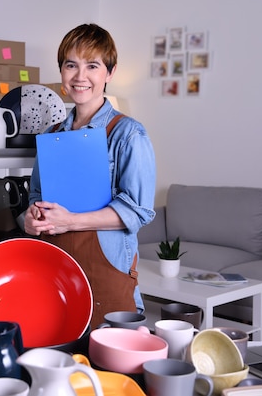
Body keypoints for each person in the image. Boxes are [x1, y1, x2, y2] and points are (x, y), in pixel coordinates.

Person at [24, 23, 156, 329]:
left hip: (108, 275)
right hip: (54, 271)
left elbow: (139, 210)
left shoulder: (128, 134)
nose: (80, 77)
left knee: (110, 372)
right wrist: (30, 218)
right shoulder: (51, 135)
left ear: (109, 73)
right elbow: (35, 197)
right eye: (71, 65)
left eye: (92, 66)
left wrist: (70, 221)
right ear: (62, 71)